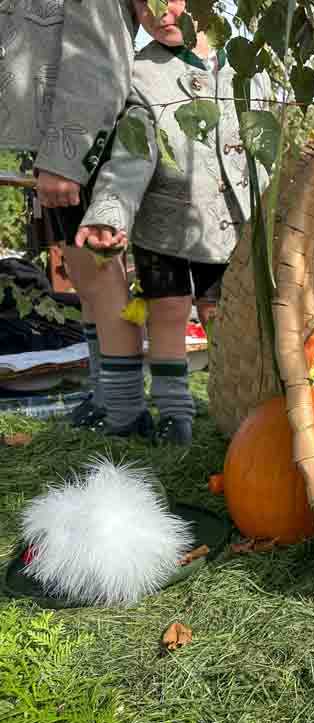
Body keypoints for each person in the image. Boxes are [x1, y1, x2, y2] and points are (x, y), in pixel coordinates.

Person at [76, 0, 270, 446]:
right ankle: (174, 412)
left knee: (223, 313)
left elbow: (266, 137)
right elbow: (131, 154)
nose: (158, 10)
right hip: (164, 221)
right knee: (167, 311)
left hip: (229, 222)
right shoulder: (140, 73)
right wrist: (109, 211)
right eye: (143, 3)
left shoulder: (247, 63)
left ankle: (236, 406)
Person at [0, 0, 139, 428]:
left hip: (80, 140)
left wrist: (66, 155)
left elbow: (100, 57)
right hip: (56, 139)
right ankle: (105, 395)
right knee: (84, 273)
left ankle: (124, 411)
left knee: (98, 272)